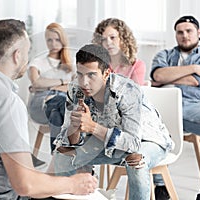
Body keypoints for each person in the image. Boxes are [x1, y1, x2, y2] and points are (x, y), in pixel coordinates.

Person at [0, 19, 97, 200]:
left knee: (66, 151)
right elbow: (25, 185)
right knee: (81, 180)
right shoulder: (6, 102)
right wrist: (74, 184)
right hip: (7, 197)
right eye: (27, 52)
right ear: (17, 55)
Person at [53, 44, 173, 200]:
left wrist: (92, 127)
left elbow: (132, 143)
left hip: (147, 140)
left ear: (106, 73)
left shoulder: (127, 90)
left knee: (136, 161)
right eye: (80, 74)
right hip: (108, 140)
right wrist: (75, 128)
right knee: (63, 154)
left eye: (91, 75)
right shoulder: (76, 90)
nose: (84, 83)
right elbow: (67, 140)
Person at [151, 15, 200, 200]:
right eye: (180, 32)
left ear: (199, 33)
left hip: (193, 107)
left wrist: (167, 77)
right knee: (151, 123)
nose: (184, 35)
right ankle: (160, 186)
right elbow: (157, 75)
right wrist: (195, 67)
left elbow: (197, 81)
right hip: (164, 106)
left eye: (189, 31)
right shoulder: (163, 54)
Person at [28, 22, 74, 152]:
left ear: (63, 40)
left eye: (57, 40)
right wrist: (62, 81)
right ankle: (70, 155)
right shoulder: (37, 62)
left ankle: (57, 154)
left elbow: (74, 87)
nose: (53, 44)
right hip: (40, 106)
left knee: (56, 112)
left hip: (59, 106)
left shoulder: (70, 66)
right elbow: (36, 83)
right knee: (64, 106)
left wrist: (48, 86)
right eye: (49, 40)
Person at [92, 18, 147, 86]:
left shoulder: (137, 66)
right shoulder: (97, 64)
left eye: (112, 37)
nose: (108, 43)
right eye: (104, 39)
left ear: (124, 39)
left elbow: (135, 94)